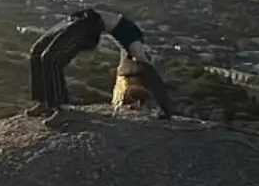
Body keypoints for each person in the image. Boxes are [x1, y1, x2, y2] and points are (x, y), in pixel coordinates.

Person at [26, 9, 172, 120]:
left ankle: (61, 108)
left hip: (85, 18)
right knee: (38, 52)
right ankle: (44, 102)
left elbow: (134, 67)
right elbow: (143, 65)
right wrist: (161, 99)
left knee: (49, 57)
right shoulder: (135, 37)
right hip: (87, 20)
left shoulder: (127, 42)